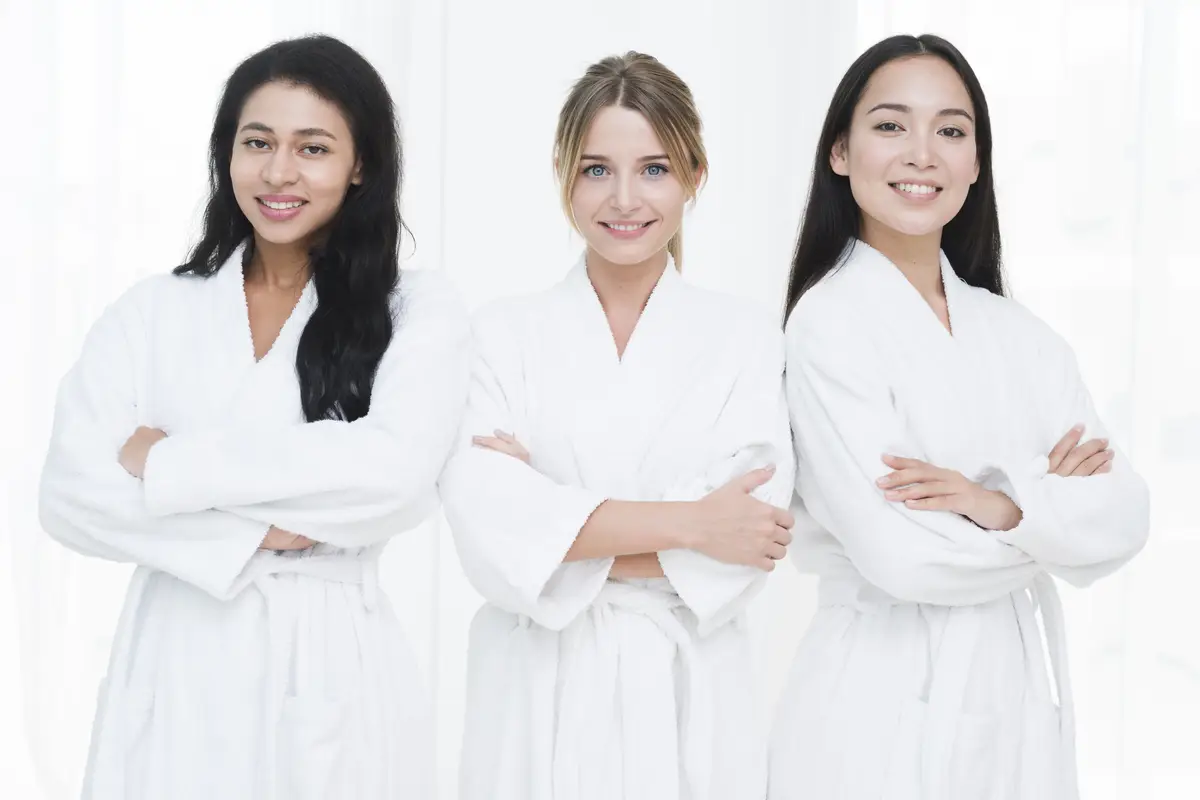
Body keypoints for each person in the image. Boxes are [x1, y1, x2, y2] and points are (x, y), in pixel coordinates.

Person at [38, 34, 468, 800]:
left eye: (313, 147)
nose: (279, 172)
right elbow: (70, 496)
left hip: (328, 661)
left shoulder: (413, 311)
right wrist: (267, 529)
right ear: (225, 153)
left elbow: (395, 479)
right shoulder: (153, 311)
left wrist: (170, 465)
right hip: (175, 659)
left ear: (359, 164)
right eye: (257, 142)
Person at [769, 34, 1150, 800]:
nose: (922, 154)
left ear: (977, 163)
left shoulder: (1021, 337)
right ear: (840, 152)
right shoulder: (829, 325)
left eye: (950, 130)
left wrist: (998, 504)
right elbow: (899, 556)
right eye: (890, 126)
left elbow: (1124, 515)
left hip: (1010, 697)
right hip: (872, 704)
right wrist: (1049, 523)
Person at [438, 51, 795, 800]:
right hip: (537, 694)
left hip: (689, 696)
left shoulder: (747, 340)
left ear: (696, 175)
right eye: (597, 169)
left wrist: (555, 522)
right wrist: (693, 524)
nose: (624, 198)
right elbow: (489, 532)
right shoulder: (500, 335)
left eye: (655, 169)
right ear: (563, 175)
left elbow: (748, 543)